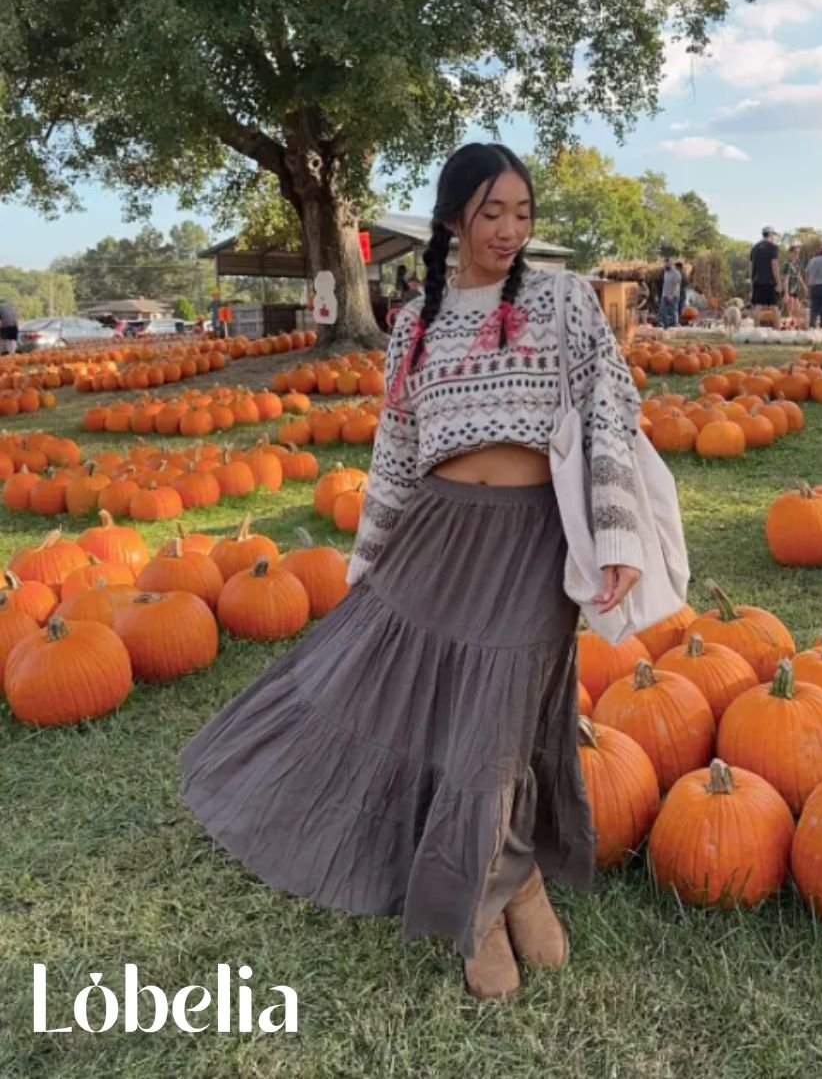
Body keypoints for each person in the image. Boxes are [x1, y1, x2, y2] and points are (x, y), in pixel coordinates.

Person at [179, 142, 647, 1002]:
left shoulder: (565, 300)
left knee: (503, 718)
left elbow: (610, 411)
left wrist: (616, 533)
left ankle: (508, 880)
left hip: (531, 542)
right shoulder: (417, 325)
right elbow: (394, 450)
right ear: (451, 221)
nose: (509, 230)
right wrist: (372, 557)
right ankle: (493, 896)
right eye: (491, 213)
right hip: (435, 538)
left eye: (522, 213)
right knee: (448, 716)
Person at [749, 227, 781, 324]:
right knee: (774, 306)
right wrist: (778, 282)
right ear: (770, 234)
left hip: (757, 281)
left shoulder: (754, 248)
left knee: (758, 306)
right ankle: (777, 330)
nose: (774, 237)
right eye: (773, 234)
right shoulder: (773, 247)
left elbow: (751, 266)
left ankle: (756, 329)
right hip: (770, 282)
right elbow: (774, 265)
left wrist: (752, 280)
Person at [781, 245, 804, 322]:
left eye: (798, 253)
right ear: (790, 253)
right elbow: (785, 278)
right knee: (790, 308)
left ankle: (796, 322)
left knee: (797, 308)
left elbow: (799, 276)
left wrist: (804, 286)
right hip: (789, 289)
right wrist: (786, 293)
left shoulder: (797, 264)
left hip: (796, 289)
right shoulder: (787, 264)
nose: (797, 254)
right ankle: (790, 322)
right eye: (795, 252)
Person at [658, 258, 682, 327]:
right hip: (664, 294)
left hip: (674, 295)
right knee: (662, 309)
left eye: (666, 264)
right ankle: (666, 324)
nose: (665, 266)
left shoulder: (676, 273)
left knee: (673, 310)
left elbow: (676, 284)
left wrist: (671, 294)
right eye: (664, 264)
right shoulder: (665, 272)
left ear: (670, 264)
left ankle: (675, 323)